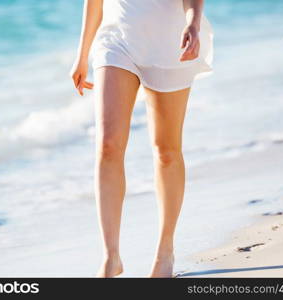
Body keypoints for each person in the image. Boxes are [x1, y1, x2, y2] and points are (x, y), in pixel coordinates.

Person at [70, 0, 213, 277]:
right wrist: (82, 53)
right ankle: (111, 257)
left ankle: (165, 251)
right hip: (116, 39)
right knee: (108, 145)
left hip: (170, 41)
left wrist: (193, 23)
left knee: (166, 151)